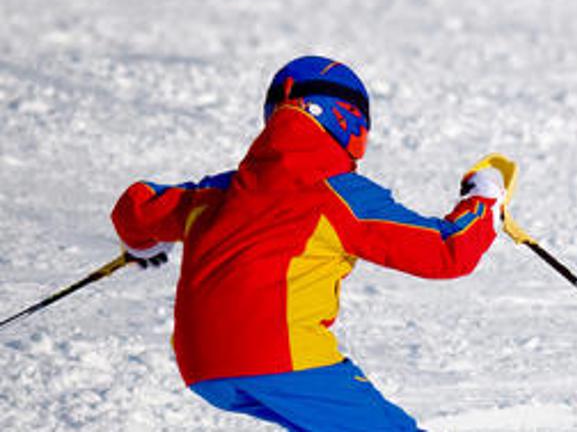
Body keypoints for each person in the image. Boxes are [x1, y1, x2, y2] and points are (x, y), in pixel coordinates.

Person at [111, 55, 505, 431]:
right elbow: (447, 252)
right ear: (350, 121)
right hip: (282, 359)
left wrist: (144, 244)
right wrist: (485, 200)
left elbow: (136, 206)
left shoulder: (214, 192)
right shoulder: (338, 195)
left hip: (202, 367)